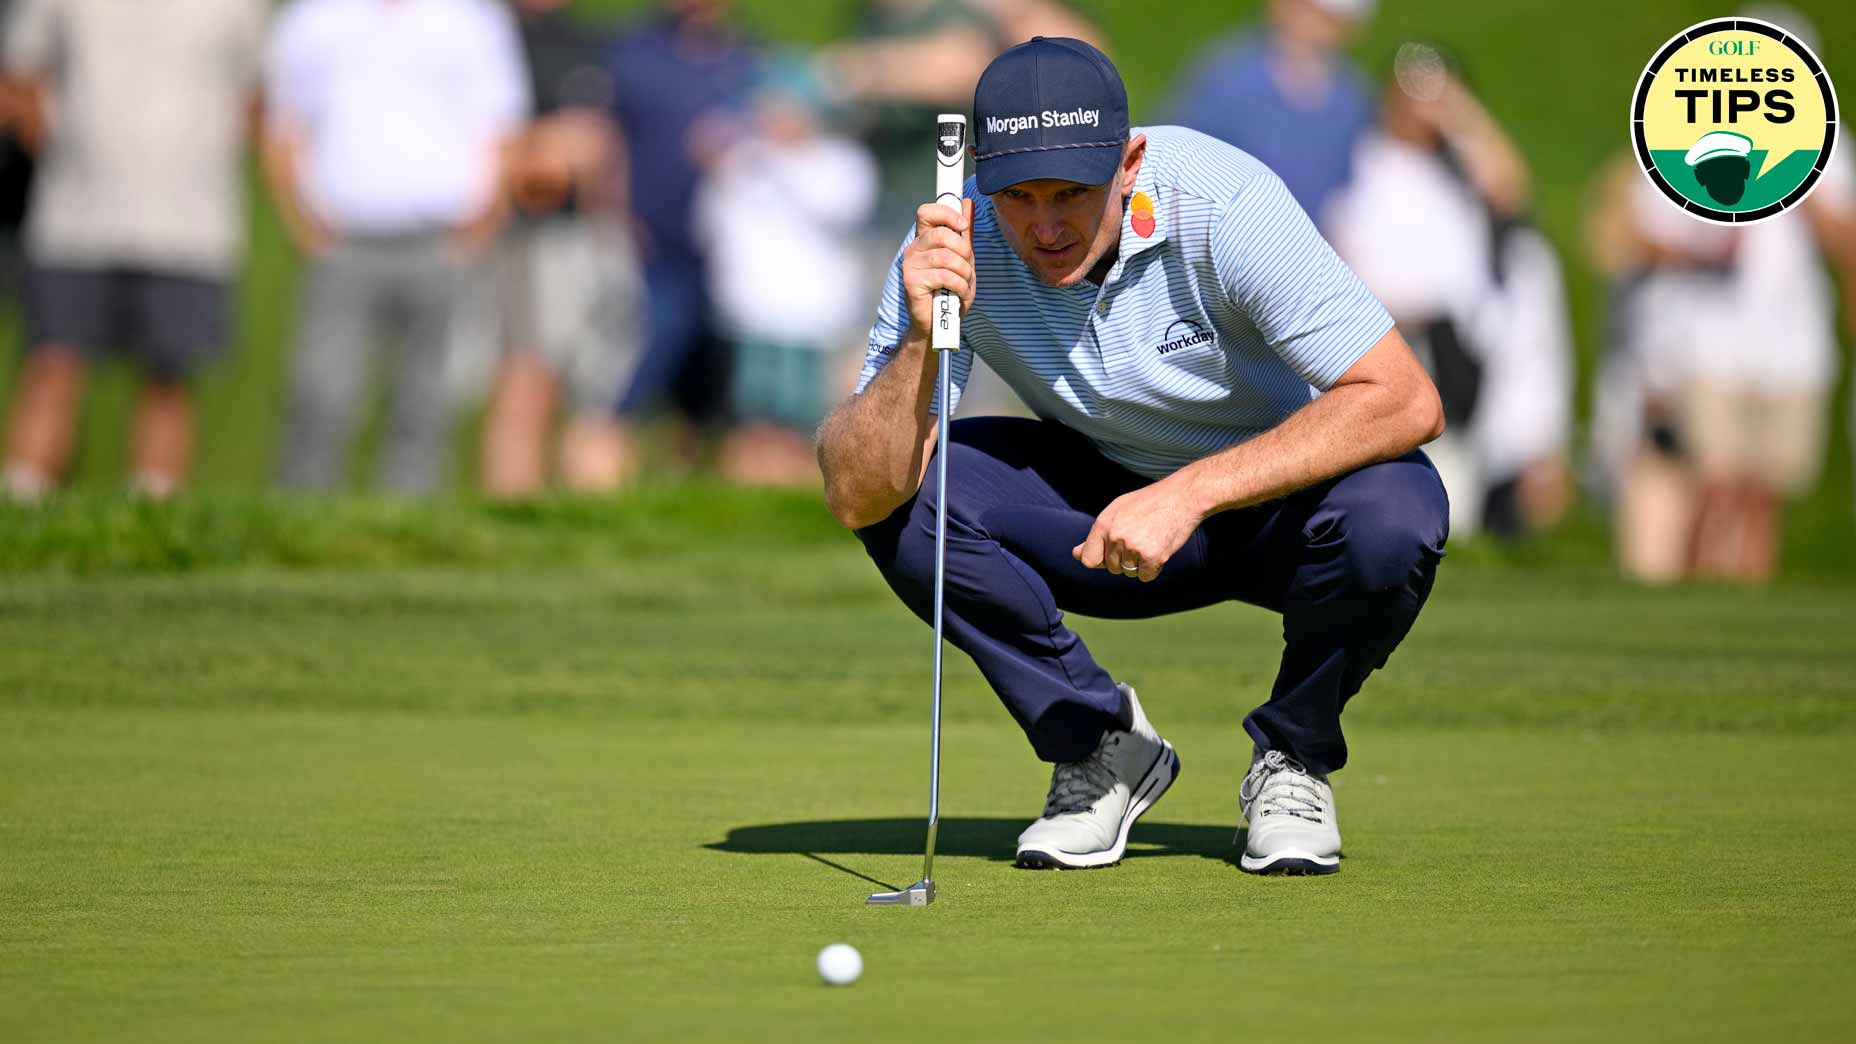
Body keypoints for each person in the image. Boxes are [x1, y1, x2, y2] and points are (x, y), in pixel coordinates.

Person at [816, 38, 1447, 876]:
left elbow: (1406, 398)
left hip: (1281, 507)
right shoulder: (953, 241)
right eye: (1018, 197)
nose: (1044, 226)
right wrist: (919, 350)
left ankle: (1292, 761)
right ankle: (1099, 745)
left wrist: (1187, 494)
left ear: (1130, 160)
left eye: (1072, 194)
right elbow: (858, 493)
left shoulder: (1223, 202)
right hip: (1101, 516)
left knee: (1396, 513)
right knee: (915, 503)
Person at [0, 0, 267, 501]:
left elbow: (257, 93)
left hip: (191, 221)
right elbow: (18, 76)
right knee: (53, 366)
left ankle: (152, 521)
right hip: (75, 215)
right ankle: (20, 511)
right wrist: (65, 154)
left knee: (169, 377)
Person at [265, 0, 529, 494]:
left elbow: (503, 127)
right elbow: (282, 124)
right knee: (322, 395)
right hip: (343, 243)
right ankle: (302, 525)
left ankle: (407, 531)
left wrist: (481, 225)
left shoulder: (472, 20)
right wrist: (300, 222)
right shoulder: (314, 18)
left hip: (441, 241)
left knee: (427, 404)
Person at [1324, 45, 1572, 540]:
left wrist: (1457, 112)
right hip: (1391, 336)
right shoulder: (1360, 161)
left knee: (1463, 477)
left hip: (1459, 345)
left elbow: (1511, 188)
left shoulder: (1455, 170)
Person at [480, 0, 642, 497]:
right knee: (528, 377)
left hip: (592, 237)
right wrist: (541, 150)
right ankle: (512, 510)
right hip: (528, 238)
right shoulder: (491, 36)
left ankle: (579, 515)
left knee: (598, 386)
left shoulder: (591, 42)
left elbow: (608, 140)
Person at [693, 59, 878, 486]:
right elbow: (714, 225)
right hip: (752, 311)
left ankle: (794, 490)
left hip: (812, 316)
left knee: (802, 416)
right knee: (753, 413)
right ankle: (750, 489)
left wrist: (779, 163)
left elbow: (840, 211)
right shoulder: (740, 160)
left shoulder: (840, 162)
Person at [603, 0, 758, 481]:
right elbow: (606, 144)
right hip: (648, 255)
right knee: (624, 392)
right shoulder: (633, 54)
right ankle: (589, 503)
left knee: (705, 400)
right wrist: (614, 223)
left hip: (729, 265)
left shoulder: (750, 60)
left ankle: (677, 498)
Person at [1167, 0, 1375, 226]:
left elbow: (1346, 191)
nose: (1307, 21)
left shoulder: (1352, 99)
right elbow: (1174, 161)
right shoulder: (1228, 75)